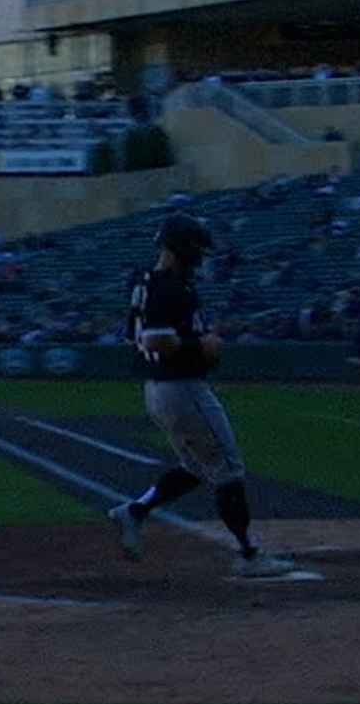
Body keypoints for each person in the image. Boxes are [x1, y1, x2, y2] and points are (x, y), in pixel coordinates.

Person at [108, 214, 300, 580]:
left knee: (197, 467)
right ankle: (248, 556)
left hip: (161, 389)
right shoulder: (169, 286)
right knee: (228, 468)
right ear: (181, 246)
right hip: (182, 387)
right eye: (196, 248)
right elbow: (153, 340)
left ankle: (135, 511)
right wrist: (201, 344)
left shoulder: (146, 282)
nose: (200, 256)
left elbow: (134, 336)